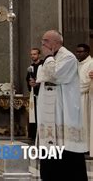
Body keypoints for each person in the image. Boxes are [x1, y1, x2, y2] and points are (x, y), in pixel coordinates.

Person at [36, 30, 87, 180]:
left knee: (66, 152)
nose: (42, 43)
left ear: (56, 42)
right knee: (50, 151)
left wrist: (49, 58)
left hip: (63, 113)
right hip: (50, 113)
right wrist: (49, 59)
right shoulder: (51, 58)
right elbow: (41, 76)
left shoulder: (68, 57)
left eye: (46, 40)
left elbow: (54, 75)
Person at [75, 43, 93, 155]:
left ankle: (87, 146)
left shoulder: (91, 63)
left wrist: (75, 89)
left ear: (87, 52)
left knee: (86, 122)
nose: (78, 54)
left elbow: (87, 83)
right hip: (77, 98)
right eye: (77, 52)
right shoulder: (77, 64)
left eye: (80, 52)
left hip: (86, 97)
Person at [25, 48, 43, 140]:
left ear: (39, 55)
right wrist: (30, 83)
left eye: (35, 54)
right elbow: (27, 79)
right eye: (31, 54)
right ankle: (33, 134)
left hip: (42, 93)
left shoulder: (43, 65)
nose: (33, 56)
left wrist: (37, 82)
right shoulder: (31, 67)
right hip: (34, 93)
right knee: (34, 114)